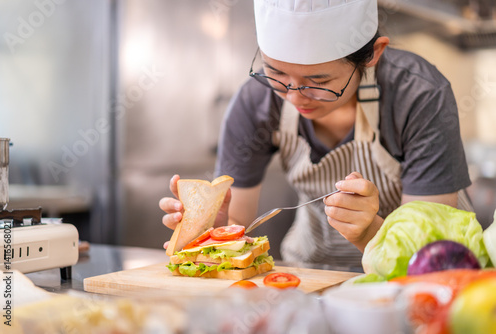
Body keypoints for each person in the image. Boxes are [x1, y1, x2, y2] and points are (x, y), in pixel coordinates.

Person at [160, 0, 472, 270]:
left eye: (318, 80)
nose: (294, 97)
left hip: (409, 277)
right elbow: (236, 229)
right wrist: (215, 229)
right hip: (310, 272)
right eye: (276, 72)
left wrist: (369, 232)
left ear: (372, 55)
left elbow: (431, 258)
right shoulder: (257, 100)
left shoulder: (418, 95)